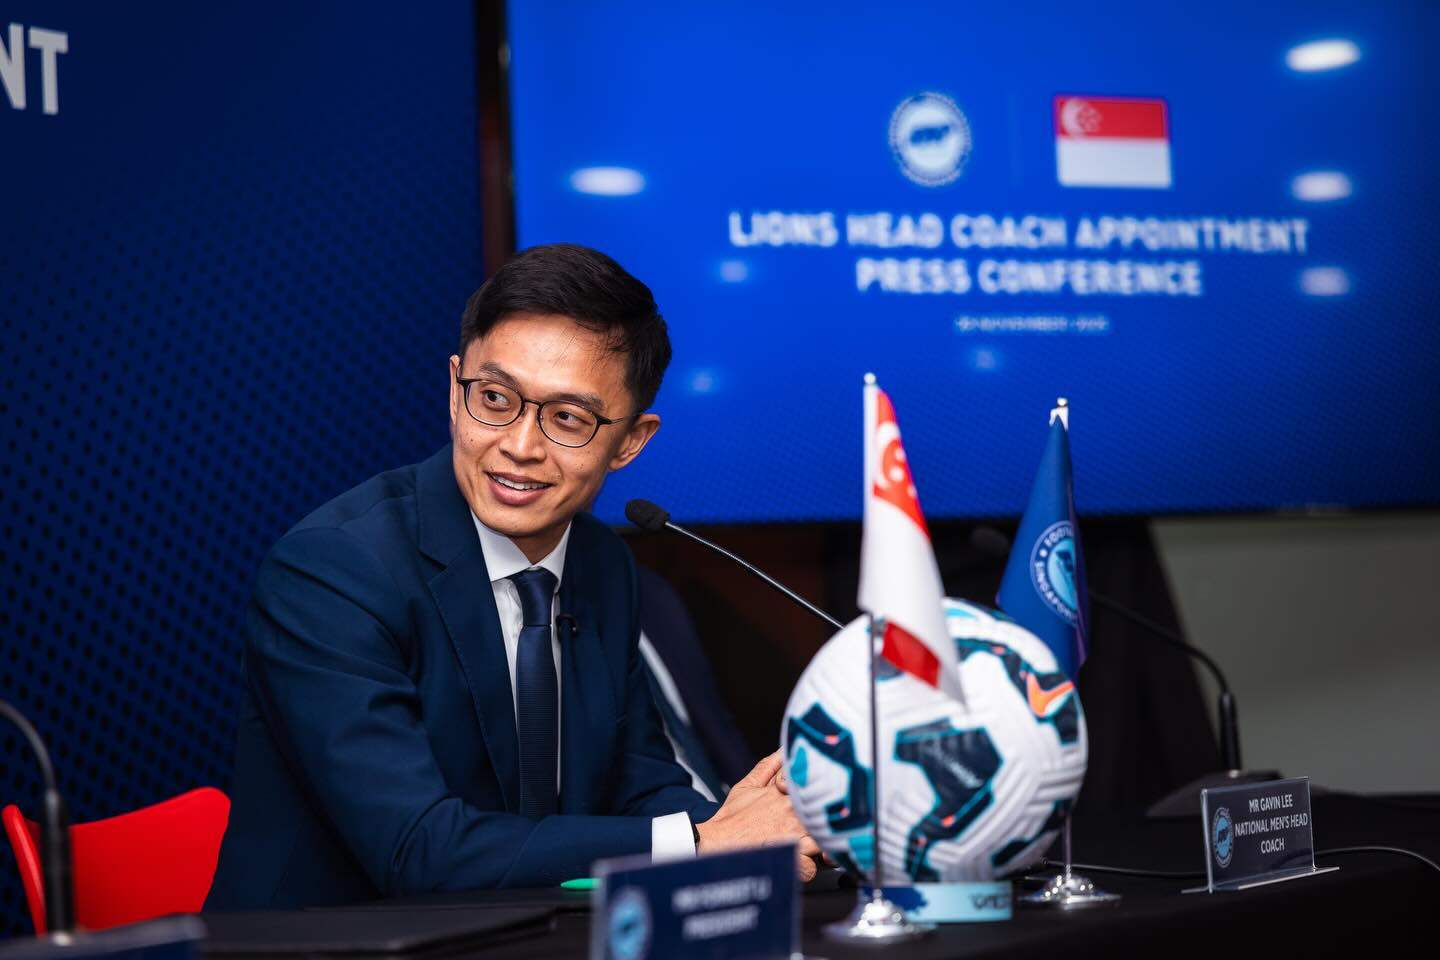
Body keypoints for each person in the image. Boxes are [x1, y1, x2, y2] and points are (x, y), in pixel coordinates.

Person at [206, 244, 819, 910]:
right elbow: (418, 848)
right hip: (333, 942)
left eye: (568, 418)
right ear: (455, 389)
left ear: (631, 441)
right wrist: (702, 840)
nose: (520, 446)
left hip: (530, 934)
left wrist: (763, 824)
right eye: (495, 399)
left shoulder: (602, 563)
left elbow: (638, 784)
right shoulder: (333, 570)